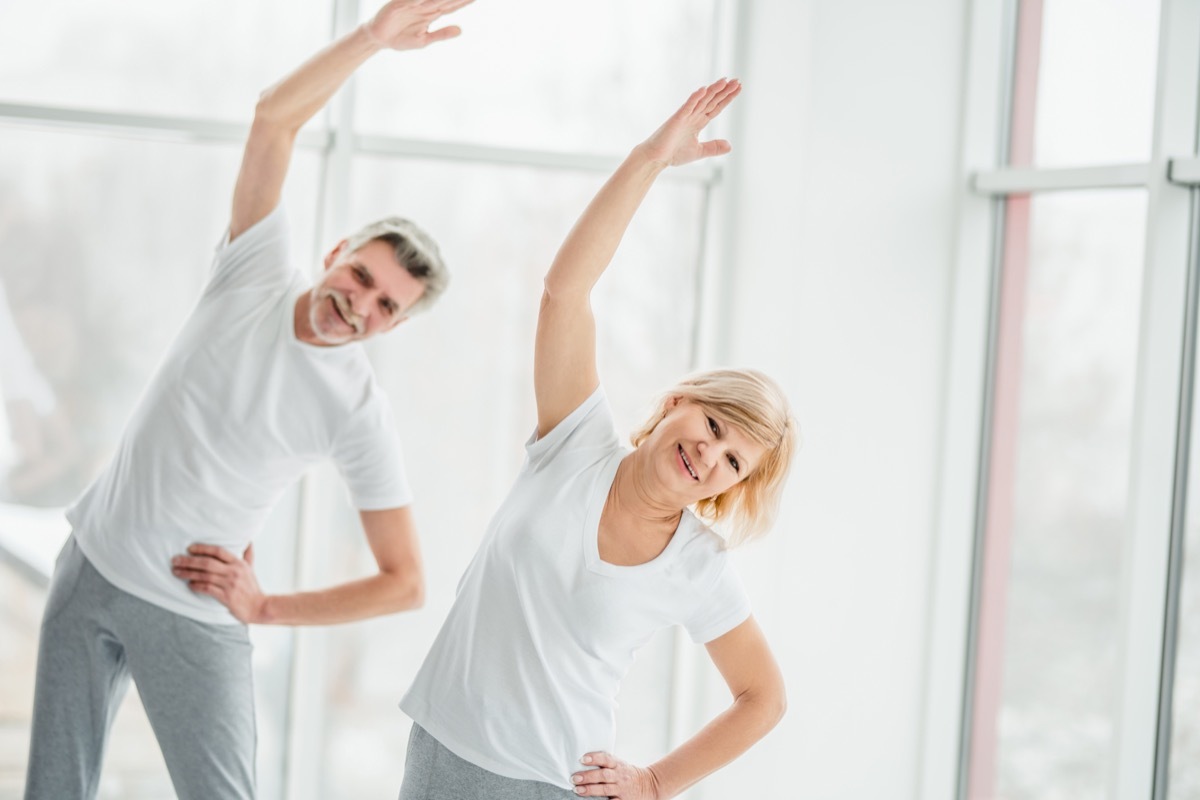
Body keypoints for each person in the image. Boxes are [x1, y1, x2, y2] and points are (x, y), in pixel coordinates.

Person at [23, 2, 472, 798]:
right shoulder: (255, 273)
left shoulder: (358, 413)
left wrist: (266, 609)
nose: (360, 305)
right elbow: (273, 119)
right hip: (90, 566)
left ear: (394, 326)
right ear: (335, 254)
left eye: (386, 307)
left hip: (192, 617)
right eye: (362, 277)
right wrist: (371, 36)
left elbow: (404, 580)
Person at [397, 78, 797, 800]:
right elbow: (565, 291)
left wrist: (653, 782)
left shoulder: (696, 564)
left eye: (733, 459)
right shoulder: (574, 443)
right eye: (712, 426)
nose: (710, 455)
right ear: (678, 401)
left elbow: (763, 697)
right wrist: (650, 158)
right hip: (440, 750)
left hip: (553, 784)